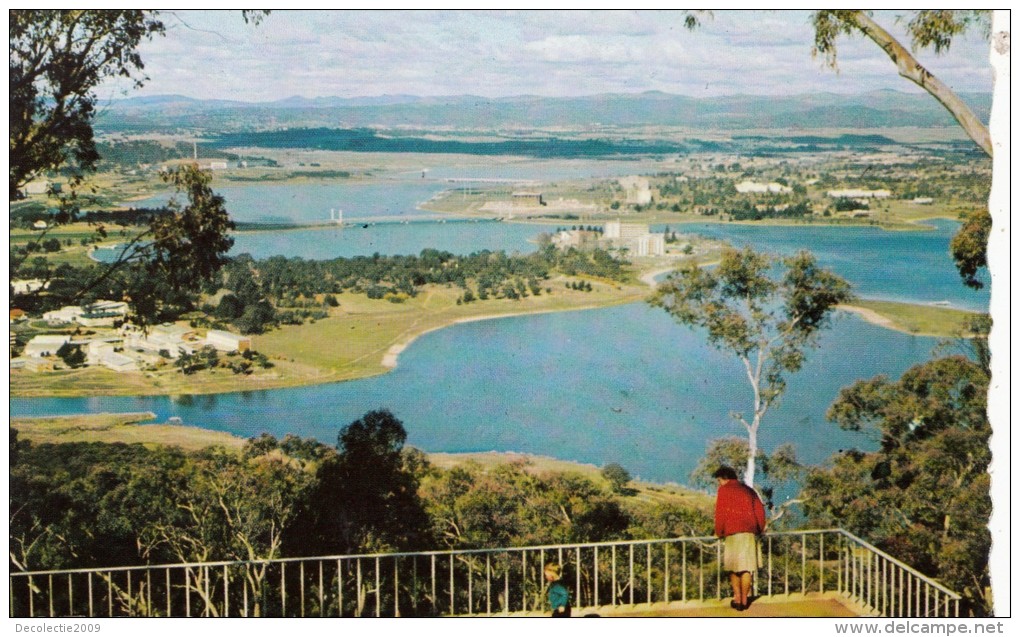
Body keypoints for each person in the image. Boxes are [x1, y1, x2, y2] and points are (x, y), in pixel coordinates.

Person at [713, 465, 766, 611]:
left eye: (719, 480)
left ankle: (737, 598)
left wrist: (719, 532)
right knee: (747, 569)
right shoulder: (749, 490)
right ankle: (744, 600)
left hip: (732, 535)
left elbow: (720, 513)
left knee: (733, 568)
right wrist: (759, 530)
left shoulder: (724, 490)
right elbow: (760, 512)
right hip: (749, 535)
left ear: (724, 478)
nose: (719, 483)